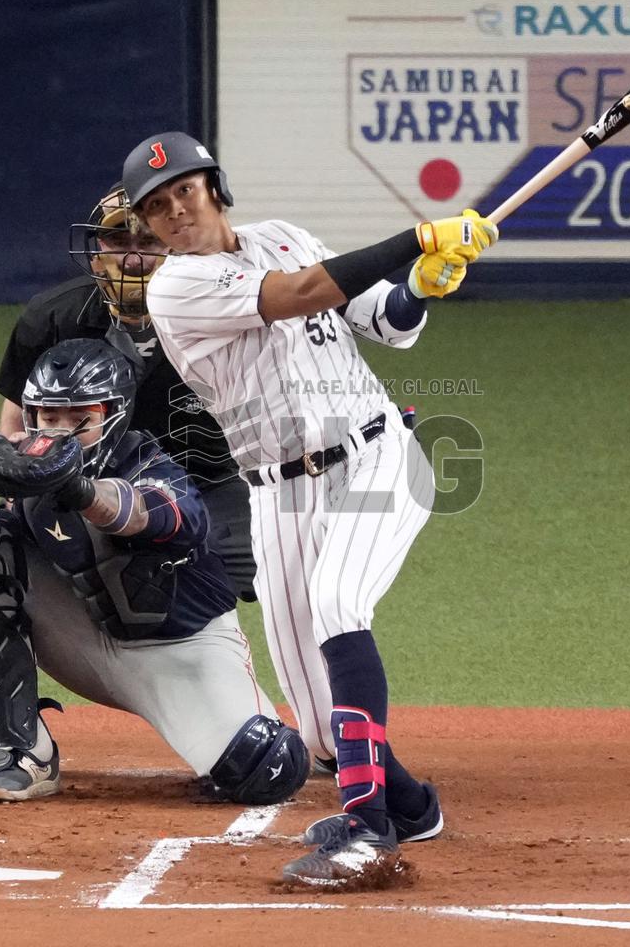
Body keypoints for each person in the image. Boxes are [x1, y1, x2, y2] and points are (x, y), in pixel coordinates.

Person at [120, 131, 498, 885]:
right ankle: (413, 807)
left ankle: (365, 830)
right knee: (323, 731)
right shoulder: (174, 289)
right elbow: (300, 295)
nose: (174, 213)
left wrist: (423, 281)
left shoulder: (285, 236)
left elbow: (384, 323)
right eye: (156, 208)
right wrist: (416, 236)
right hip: (277, 493)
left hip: (375, 459)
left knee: (335, 605)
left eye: (184, 193)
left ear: (214, 188)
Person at [0, 185, 261, 781]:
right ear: (94, 248)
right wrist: (20, 518)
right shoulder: (53, 317)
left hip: (212, 481)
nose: (132, 255)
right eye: (117, 239)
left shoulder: (222, 311)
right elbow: (17, 431)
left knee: (290, 585)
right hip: (89, 479)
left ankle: (321, 725)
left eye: (148, 240)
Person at [0, 338, 308, 804]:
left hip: (182, 654)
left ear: (113, 414)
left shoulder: (156, 468)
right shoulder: (30, 486)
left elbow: (136, 515)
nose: (60, 432)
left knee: (267, 766)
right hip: (88, 644)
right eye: (48, 417)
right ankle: (25, 752)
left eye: (79, 418)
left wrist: (74, 487)